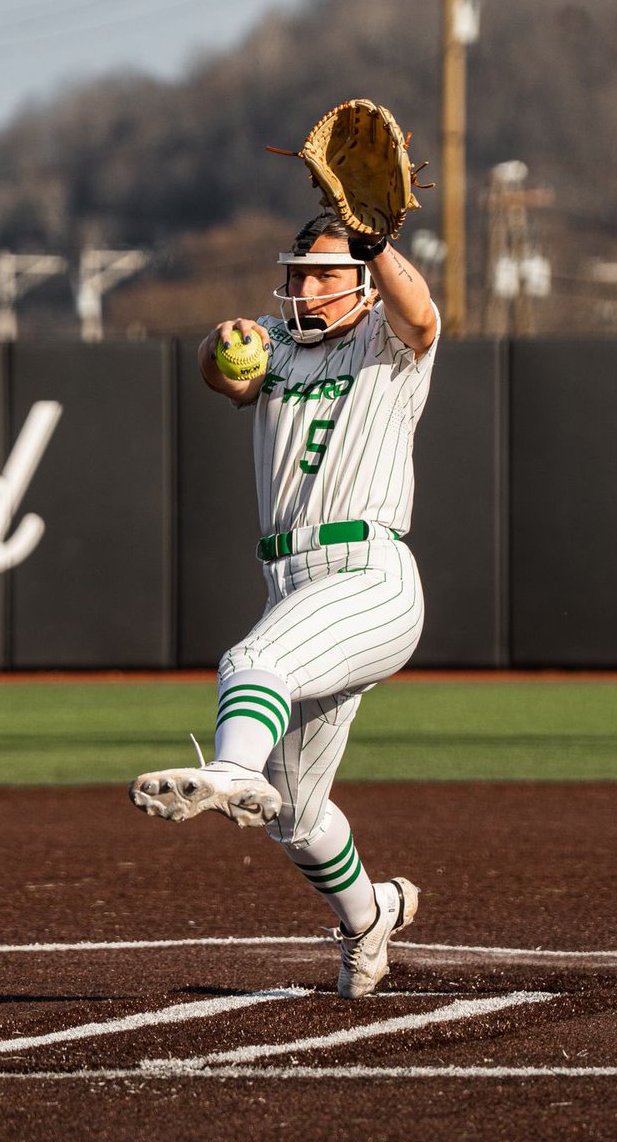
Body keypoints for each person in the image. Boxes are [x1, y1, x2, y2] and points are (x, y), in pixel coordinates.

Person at [130, 209, 440, 998]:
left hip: (371, 574)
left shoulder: (386, 344)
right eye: (298, 272)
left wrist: (376, 246)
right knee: (297, 818)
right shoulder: (278, 343)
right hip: (293, 582)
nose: (305, 285)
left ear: (365, 281)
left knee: (252, 661)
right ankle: (371, 919)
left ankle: (229, 768)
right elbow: (225, 375)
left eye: (325, 274)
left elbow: (423, 316)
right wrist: (216, 342)